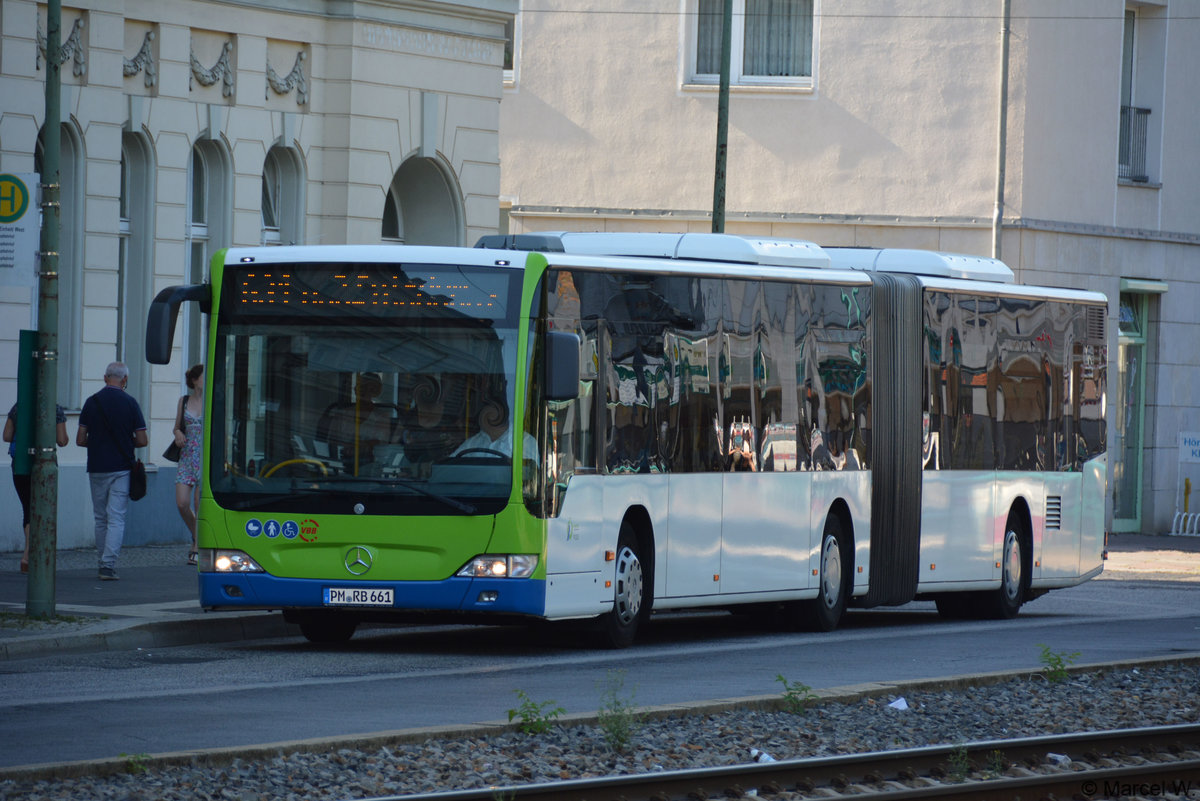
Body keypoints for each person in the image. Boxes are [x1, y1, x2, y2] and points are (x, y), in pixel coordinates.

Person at [76, 362, 148, 580]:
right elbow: (143, 440)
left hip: (97, 466)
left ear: (105, 377)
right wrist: (126, 442)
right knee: (116, 517)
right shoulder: (130, 403)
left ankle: (101, 560)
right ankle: (107, 566)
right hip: (121, 469)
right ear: (124, 380)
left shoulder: (91, 402)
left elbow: (80, 439)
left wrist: (98, 443)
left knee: (100, 518)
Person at [4, 401, 69, 572]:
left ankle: (28, 554)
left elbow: (7, 436)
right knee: (42, 509)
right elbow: (62, 440)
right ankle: (30, 554)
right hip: (45, 464)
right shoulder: (54, 408)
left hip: (20, 465)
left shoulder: (18, 407)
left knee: (28, 507)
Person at [173, 364, 204, 565]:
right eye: (203, 377)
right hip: (187, 456)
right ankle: (197, 536)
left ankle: (197, 546)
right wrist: (178, 433)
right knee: (182, 503)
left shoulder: (213, 401)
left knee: (198, 503)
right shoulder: (184, 401)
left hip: (205, 456)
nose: (206, 380)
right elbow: (176, 427)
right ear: (194, 380)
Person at [450, 398, 538, 463]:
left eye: (492, 413)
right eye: (484, 414)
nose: (488, 417)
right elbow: (451, 464)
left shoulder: (525, 441)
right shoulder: (473, 442)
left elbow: (529, 474)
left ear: (504, 415)